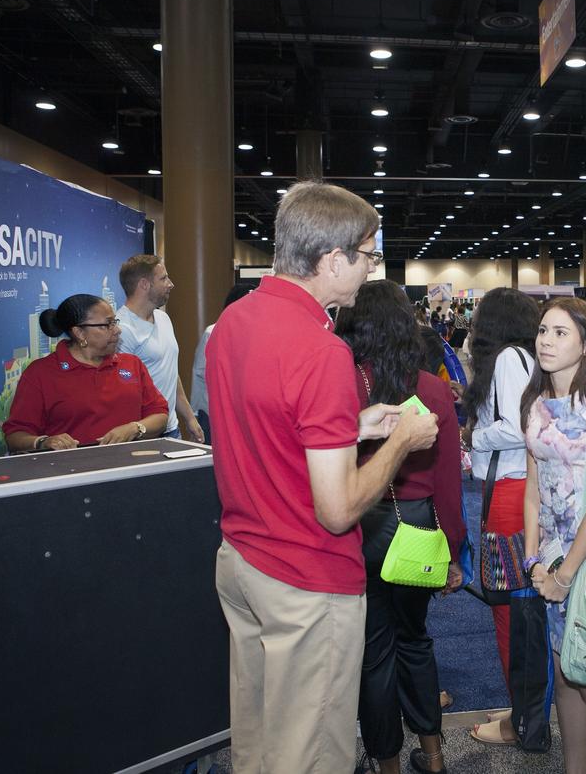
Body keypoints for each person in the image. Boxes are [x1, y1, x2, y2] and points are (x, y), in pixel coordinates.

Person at [206, 181, 440, 774]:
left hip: (243, 558)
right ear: (333, 260)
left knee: (259, 742)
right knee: (310, 753)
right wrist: (400, 443)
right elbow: (338, 509)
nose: (369, 270)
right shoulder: (321, 350)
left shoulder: (232, 322)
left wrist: (350, 427)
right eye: (367, 255)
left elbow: (266, 423)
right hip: (305, 578)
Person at [336, 280, 465, 774]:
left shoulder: (346, 384)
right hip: (418, 528)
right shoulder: (431, 386)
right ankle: (433, 756)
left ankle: (386, 762)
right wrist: (453, 551)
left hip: (362, 527)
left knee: (373, 653)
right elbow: (449, 482)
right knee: (416, 639)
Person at [523, 297, 586, 774]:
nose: (546, 340)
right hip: (549, 557)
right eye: (543, 330)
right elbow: (532, 487)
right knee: (565, 678)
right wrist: (533, 560)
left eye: (560, 332)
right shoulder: (536, 400)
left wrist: (565, 575)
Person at [462, 287, 542, 747]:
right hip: (515, 491)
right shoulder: (523, 358)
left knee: (509, 612)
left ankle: (522, 721)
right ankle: (524, 711)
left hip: (510, 495)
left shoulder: (510, 359)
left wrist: (475, 436)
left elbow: (515, 427)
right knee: (518, 610)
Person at [3, 293, 168, 451]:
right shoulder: (39, 374)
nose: (117, 330)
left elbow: (160, 415)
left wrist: (136, 428)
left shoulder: (132, 364)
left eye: (115, 322)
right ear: (79, 333)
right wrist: (43, 442)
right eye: (107, 324)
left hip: (132, 470)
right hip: (70, 474)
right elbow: (15, 436)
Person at [116, 254, 203, 442]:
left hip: (171, 429)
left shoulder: (163, 318)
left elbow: (170, 371)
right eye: (163, 278)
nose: (170, 284)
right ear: (144, 284)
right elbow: (122, 393)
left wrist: (189, 417)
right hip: (141, 436)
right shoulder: (121, 330)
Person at [190, 283, 255, 444]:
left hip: (248, 418)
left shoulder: (261, 335)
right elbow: (199, 375)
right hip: (215, 416)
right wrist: (195, 414)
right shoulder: (213, 332)